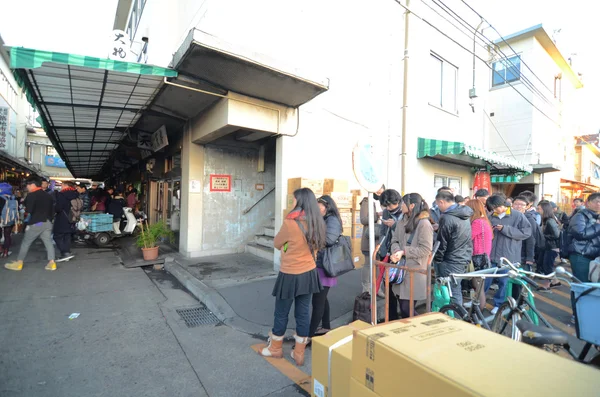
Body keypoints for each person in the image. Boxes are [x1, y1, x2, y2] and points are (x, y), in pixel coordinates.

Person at [260, 188, 325, 366]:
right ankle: (299, 353)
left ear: (300, 201)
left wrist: (288, 246)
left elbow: (276, 243)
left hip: (290, 274)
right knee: (303, 313)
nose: (292, 203)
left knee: (281, 312)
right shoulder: (318, 222)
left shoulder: (291, 223)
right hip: (309, 273)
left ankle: (275, 348)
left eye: (294, 200)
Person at [485, 194, 531, 314]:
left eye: (496, 208)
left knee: (504, 282)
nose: (494, 211)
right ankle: (480, 300)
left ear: (502, 205)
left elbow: (526, 232)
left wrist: (505, 229)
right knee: (486, 279)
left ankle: (499, 304)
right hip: (492, 254)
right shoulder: (491, 216)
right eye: (492, 209)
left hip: (509, 256)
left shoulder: (518, 215)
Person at [390, 193, 433, 319]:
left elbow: (426, 249)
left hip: (415, 270)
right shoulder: (401, 221)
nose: (401, 205)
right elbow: (394, 240)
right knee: (403, 307)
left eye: (403, 203)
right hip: (401, 269)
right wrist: (396, 250)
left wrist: (404, 252)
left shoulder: (424, 224)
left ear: (412, 205)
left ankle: (420, 331)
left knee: (406, 309)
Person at [4, 177, 56, 271]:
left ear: (32, 185)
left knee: (26, 242)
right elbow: (53, 210)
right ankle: (52, 263)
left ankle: (19, 262)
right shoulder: (48, 195)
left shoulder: (31, 195)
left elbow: (29, 210)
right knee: (48, 242)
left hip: (37, 222)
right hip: (48, 222)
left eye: (27, 185)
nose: (27, 187)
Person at [433, 191, 473, 306]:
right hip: (463, 256)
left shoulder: (447, 217)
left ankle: (454, 317)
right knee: (455, 289)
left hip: (450, 259)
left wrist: (438, 260)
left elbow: (442, 242)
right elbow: (456, 233)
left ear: (441, 201)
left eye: (438, 204)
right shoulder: (464, 213)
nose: (438, 207)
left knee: (451, 291)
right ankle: (455, 315)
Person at [309, 195, 342, 337]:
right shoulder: (324, 219)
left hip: (326, 265)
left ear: (327, 206)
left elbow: (329, 239)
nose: (317, 208)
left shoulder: (332, 220)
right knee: (322, 298)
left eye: (319, 206)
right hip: (321, 264)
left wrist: (311, 236)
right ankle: (326, 326)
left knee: (317, 301)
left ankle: (308, 335)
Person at [465, 199, 493, 309]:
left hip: (478, 258)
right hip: (484, 257)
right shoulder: (484, 221)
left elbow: (467, 237)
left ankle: (479, 310)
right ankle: (477, 305)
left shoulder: (477, 222)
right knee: (479, 285)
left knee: (478, 286)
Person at [567, 193, 600, 282]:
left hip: (594, 256)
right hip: (581, 255)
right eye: (596, 202)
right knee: (582, 286)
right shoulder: (580, 216)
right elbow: (580, 234)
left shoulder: (596, 217)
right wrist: (598, 225)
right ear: (587, 203)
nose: (599, 204)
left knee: (592, 288)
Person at [360, 185, 384, 294]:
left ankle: (377, 288)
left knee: (378, 264)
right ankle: (366, 288)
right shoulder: (366, 201)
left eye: (381, 193)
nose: (379, 195)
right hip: (369, 238)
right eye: (377, 192)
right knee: (368, 263)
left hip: (381, 238)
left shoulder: (384, 202)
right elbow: (363, 219)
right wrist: (377, 215)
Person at [537, 201, 561, 288]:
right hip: (548, 246)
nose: (537, 210)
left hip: (552, 247)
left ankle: (548, 284)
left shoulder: (550, 221)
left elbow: (556, 234)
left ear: (544, 209)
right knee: (546, 265)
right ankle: (555, 281)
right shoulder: (546, 220)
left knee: (547, 266)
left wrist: (544, 236)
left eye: (539, 209)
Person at [54, 181, 78, 261]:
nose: (61, 187)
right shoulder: (75, 194)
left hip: (62, 218)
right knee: (67, 236)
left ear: (66, 186)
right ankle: (67, 252)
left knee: (57, 236)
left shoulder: (62, 195)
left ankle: (65, 253)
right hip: (72, 218)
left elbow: (58, 208)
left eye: (62, 185)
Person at [0, 183, 18, 258]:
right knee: (7, 236)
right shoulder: (13, 198)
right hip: (10, 220)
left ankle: (1, 249)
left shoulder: (0, 198)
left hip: (1, 220)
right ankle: (6, 252)